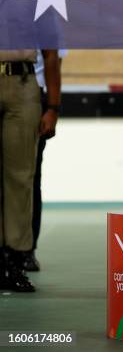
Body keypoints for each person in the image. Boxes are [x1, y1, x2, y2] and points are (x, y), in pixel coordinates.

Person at [0, 49, 60, 292]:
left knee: (21, 177)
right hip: (21, 87)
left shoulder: (36, 8)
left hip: (22, 84)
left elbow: (51, 55)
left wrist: (54, 107)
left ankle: (15, 260)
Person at [22, 50, 66, 273]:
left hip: (32, 95)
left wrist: (52, 107)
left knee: (29, 179)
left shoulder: (45, 15)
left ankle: (27, 249)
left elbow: (54, 61)